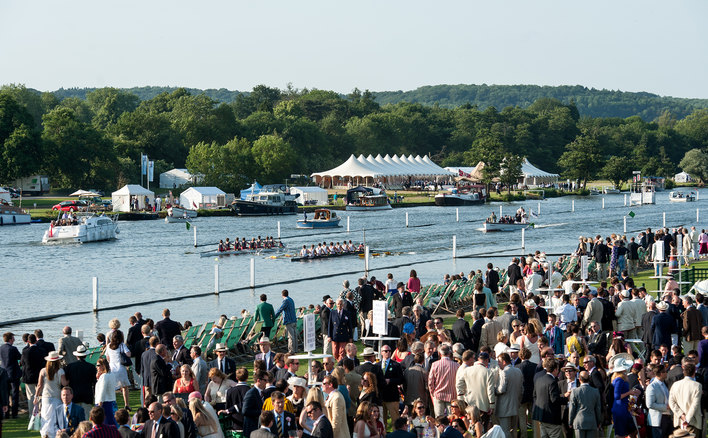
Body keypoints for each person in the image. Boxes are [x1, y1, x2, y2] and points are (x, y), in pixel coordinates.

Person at [35, 350, 68, 438]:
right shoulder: (60, 371)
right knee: (55, 418)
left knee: (46, 417)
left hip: (46, 397)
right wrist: (69, 380)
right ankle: (54, 435)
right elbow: (64, 383)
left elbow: (39, 385)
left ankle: (45, 434)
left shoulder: (43, 371)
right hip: (57, 396)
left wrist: (36, 396)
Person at [532, 357, 566, 438]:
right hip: (552, 418)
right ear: (554, 369)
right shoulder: (552, 381)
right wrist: (566, 398)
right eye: (558, 369)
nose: (558, 371)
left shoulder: (539, 379)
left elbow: (535, 395)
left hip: (541, 416)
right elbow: (554, 399)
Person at [668, 359, 703, 436]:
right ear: (694, 372)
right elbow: (695, 405)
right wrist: (687, 419)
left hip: (679, 420)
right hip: (693, 421)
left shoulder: (675, 385)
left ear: (683, 371)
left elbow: (671, 402)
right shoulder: (697, 386)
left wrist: (681, 414)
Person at [610, 358, 639, 438]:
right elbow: (617, 396)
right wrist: (630, 392)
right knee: (621, 434)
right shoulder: (619, 379)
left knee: (631, 431)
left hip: (622, 408)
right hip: (620, 408)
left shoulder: (619, 378)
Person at [568, 371, 602, 438]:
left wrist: (570, 422)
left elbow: (572, 408)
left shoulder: (575, 392)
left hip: (579, 422)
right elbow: (598, 408)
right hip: (592, 422)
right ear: (589, 379)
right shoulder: (595, 391)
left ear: (579, 379)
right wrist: (599, 422)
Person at [105, 329, 132, 410]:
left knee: (112, 388)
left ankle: (113, 404)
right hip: (121, 368)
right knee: (125, 387)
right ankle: (126, 404)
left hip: (112, 368)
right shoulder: (122, 345)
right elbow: (129, 354)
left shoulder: (109, 345)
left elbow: (108, 357)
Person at [0, 332, 21, 421]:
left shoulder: (0, 348)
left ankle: (6, 413)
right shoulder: (13, 349)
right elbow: (20, 357)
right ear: (10, 339)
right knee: (15, 394)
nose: (14, 340)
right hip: (13, 374)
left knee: (5, 393)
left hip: (4, 373)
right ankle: (14, 413)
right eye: (13, 338)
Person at [95, 357, 119, 427]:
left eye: (98, 365)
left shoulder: (104, 376)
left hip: (104, 403)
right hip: (112, 401)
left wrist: (99, 405)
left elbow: (102, 391)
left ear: (103, 366)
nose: (97, 367)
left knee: (106, 424)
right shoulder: (111, 374)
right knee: (113, 423)